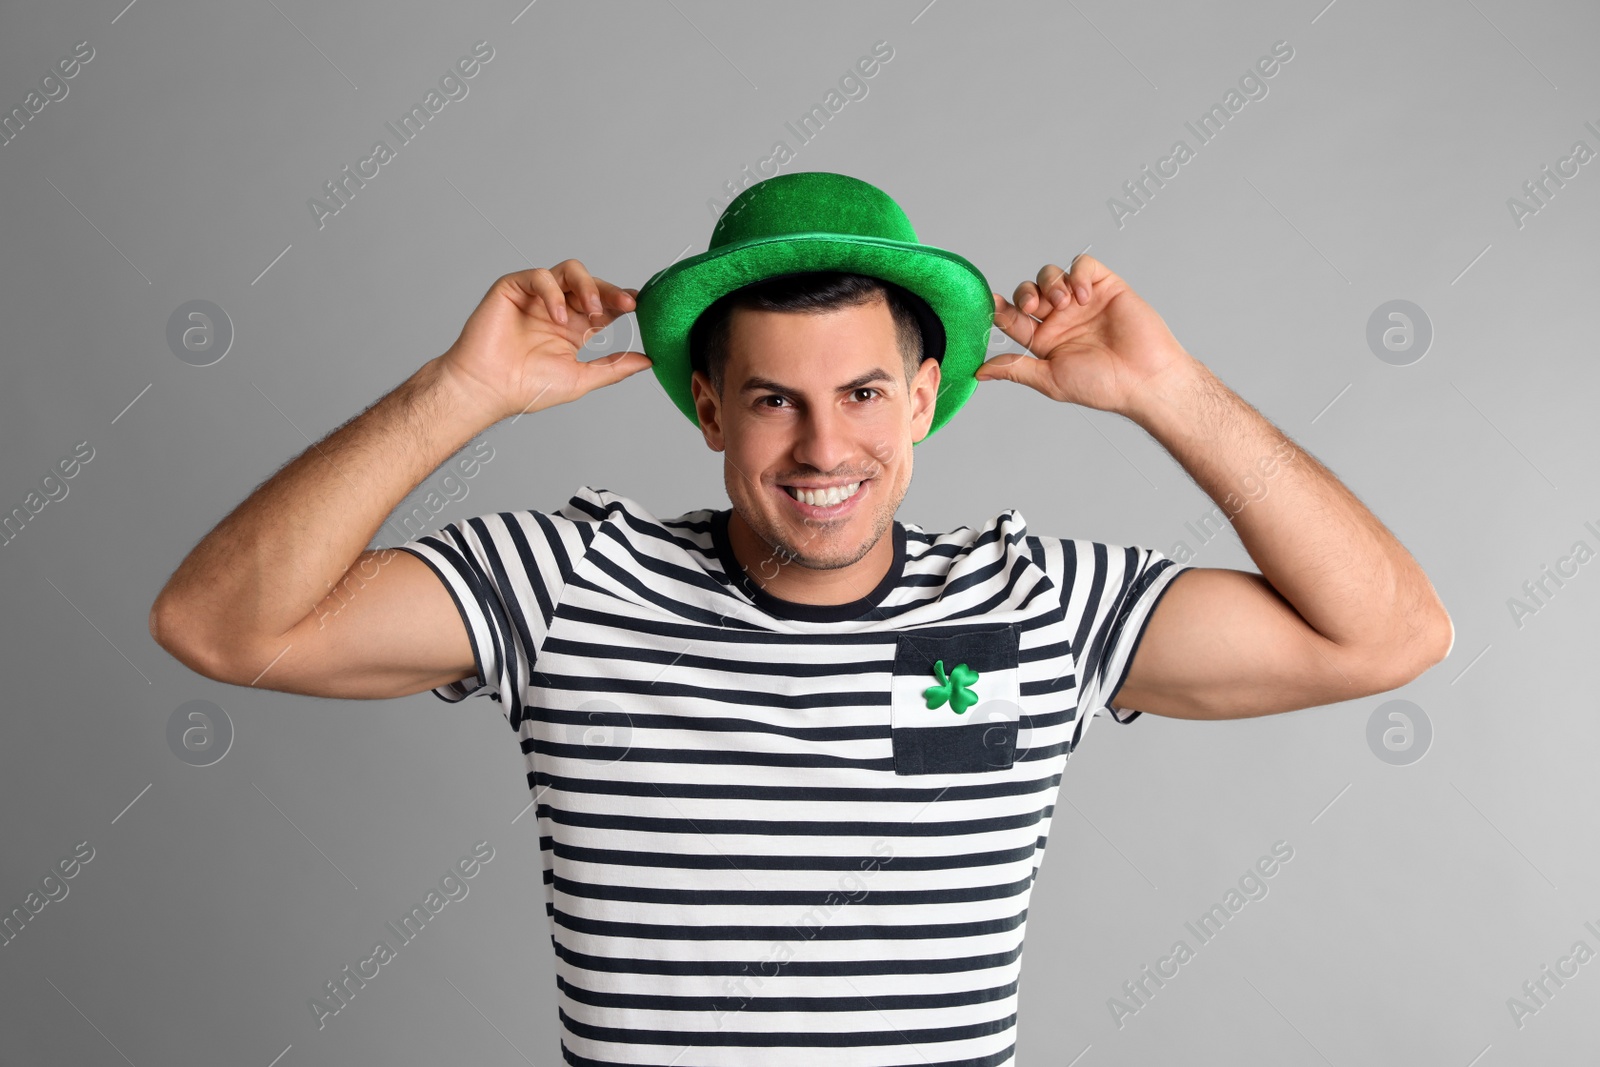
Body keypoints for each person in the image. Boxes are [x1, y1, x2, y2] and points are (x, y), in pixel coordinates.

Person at [149, 171, 1452, 1066]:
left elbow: (1387, 635)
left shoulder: (1036, 603)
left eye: (867, 393)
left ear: (928, 400)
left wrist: (1175, 394)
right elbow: (221, 626)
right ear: (709, 412)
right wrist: (458, 394)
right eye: (773, 399)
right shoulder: (564, 583)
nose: (825, 444)